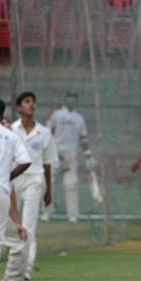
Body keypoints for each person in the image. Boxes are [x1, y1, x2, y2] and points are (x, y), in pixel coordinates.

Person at [11, 92, 58, 280]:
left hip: (35, 180)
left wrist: (49, 191)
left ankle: (26, 268)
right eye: (26, 102)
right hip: (14, 179)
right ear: (18, 108)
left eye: (33, 102)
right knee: (13, 224)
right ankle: (14, 264)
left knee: (28, 224)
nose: (31, 105)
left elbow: (48, 164)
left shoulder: (44, 132)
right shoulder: (11, 130)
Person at [0, 98, 32, 281]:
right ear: (2, 115)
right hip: (0, 190)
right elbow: (25, 161)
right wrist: (7, 177)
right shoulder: (9, 135)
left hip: (1, 189)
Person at [45, 91, 95, 222]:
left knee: (71, 183)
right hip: (55, 151)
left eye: (74, 99)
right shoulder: (56, 114)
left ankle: (73, 215)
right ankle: (47, 212)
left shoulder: (79, 118)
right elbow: (47, 132)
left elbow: (83, 137)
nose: (71, 101)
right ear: (65, 99)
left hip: (71, 152)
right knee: (49, 181)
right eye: (69, 98)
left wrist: (88, 154)